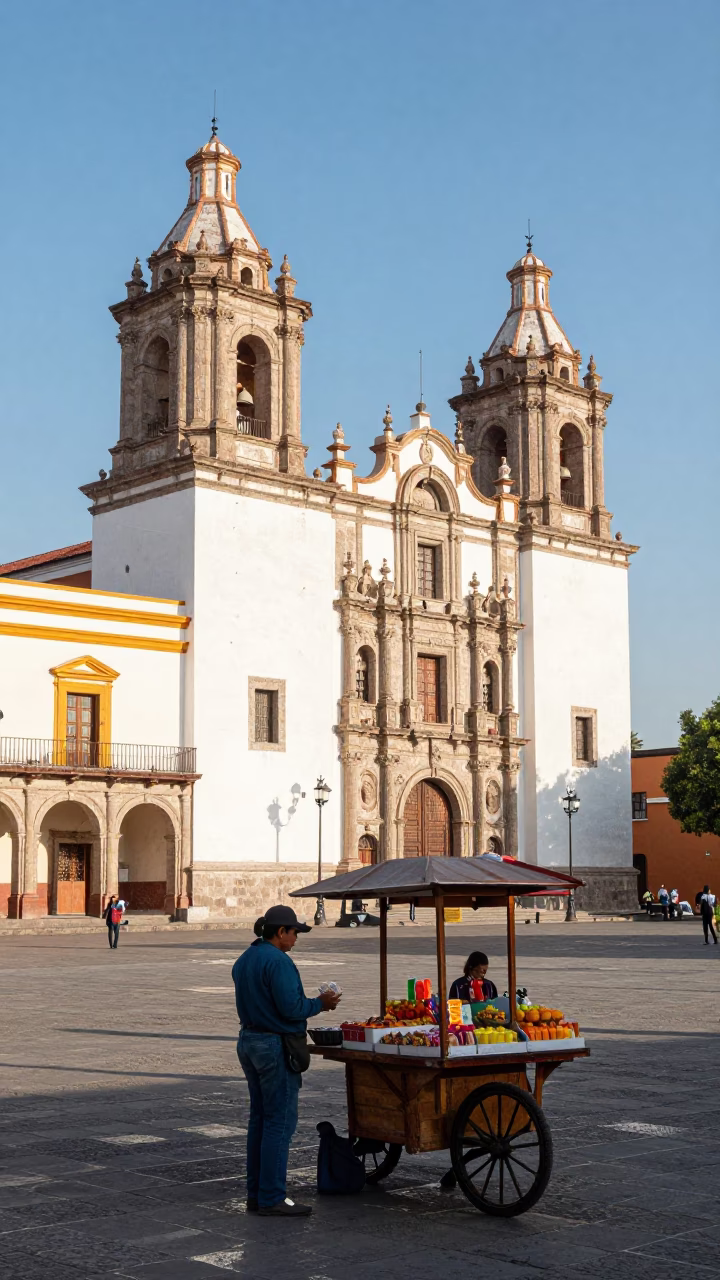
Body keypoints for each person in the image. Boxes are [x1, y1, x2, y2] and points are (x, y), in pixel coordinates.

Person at [232, 905, 341, 1217]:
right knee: (279, 1122)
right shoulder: (278, 961)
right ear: (280, 932)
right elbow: (291, 1008)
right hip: (273, 1044)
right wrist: (321, 1003)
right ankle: (271, 1197)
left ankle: (257, 1193)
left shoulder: (246, 958)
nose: (296, 938)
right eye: (294, 932)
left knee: (260, 1119)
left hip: (249, 1039)